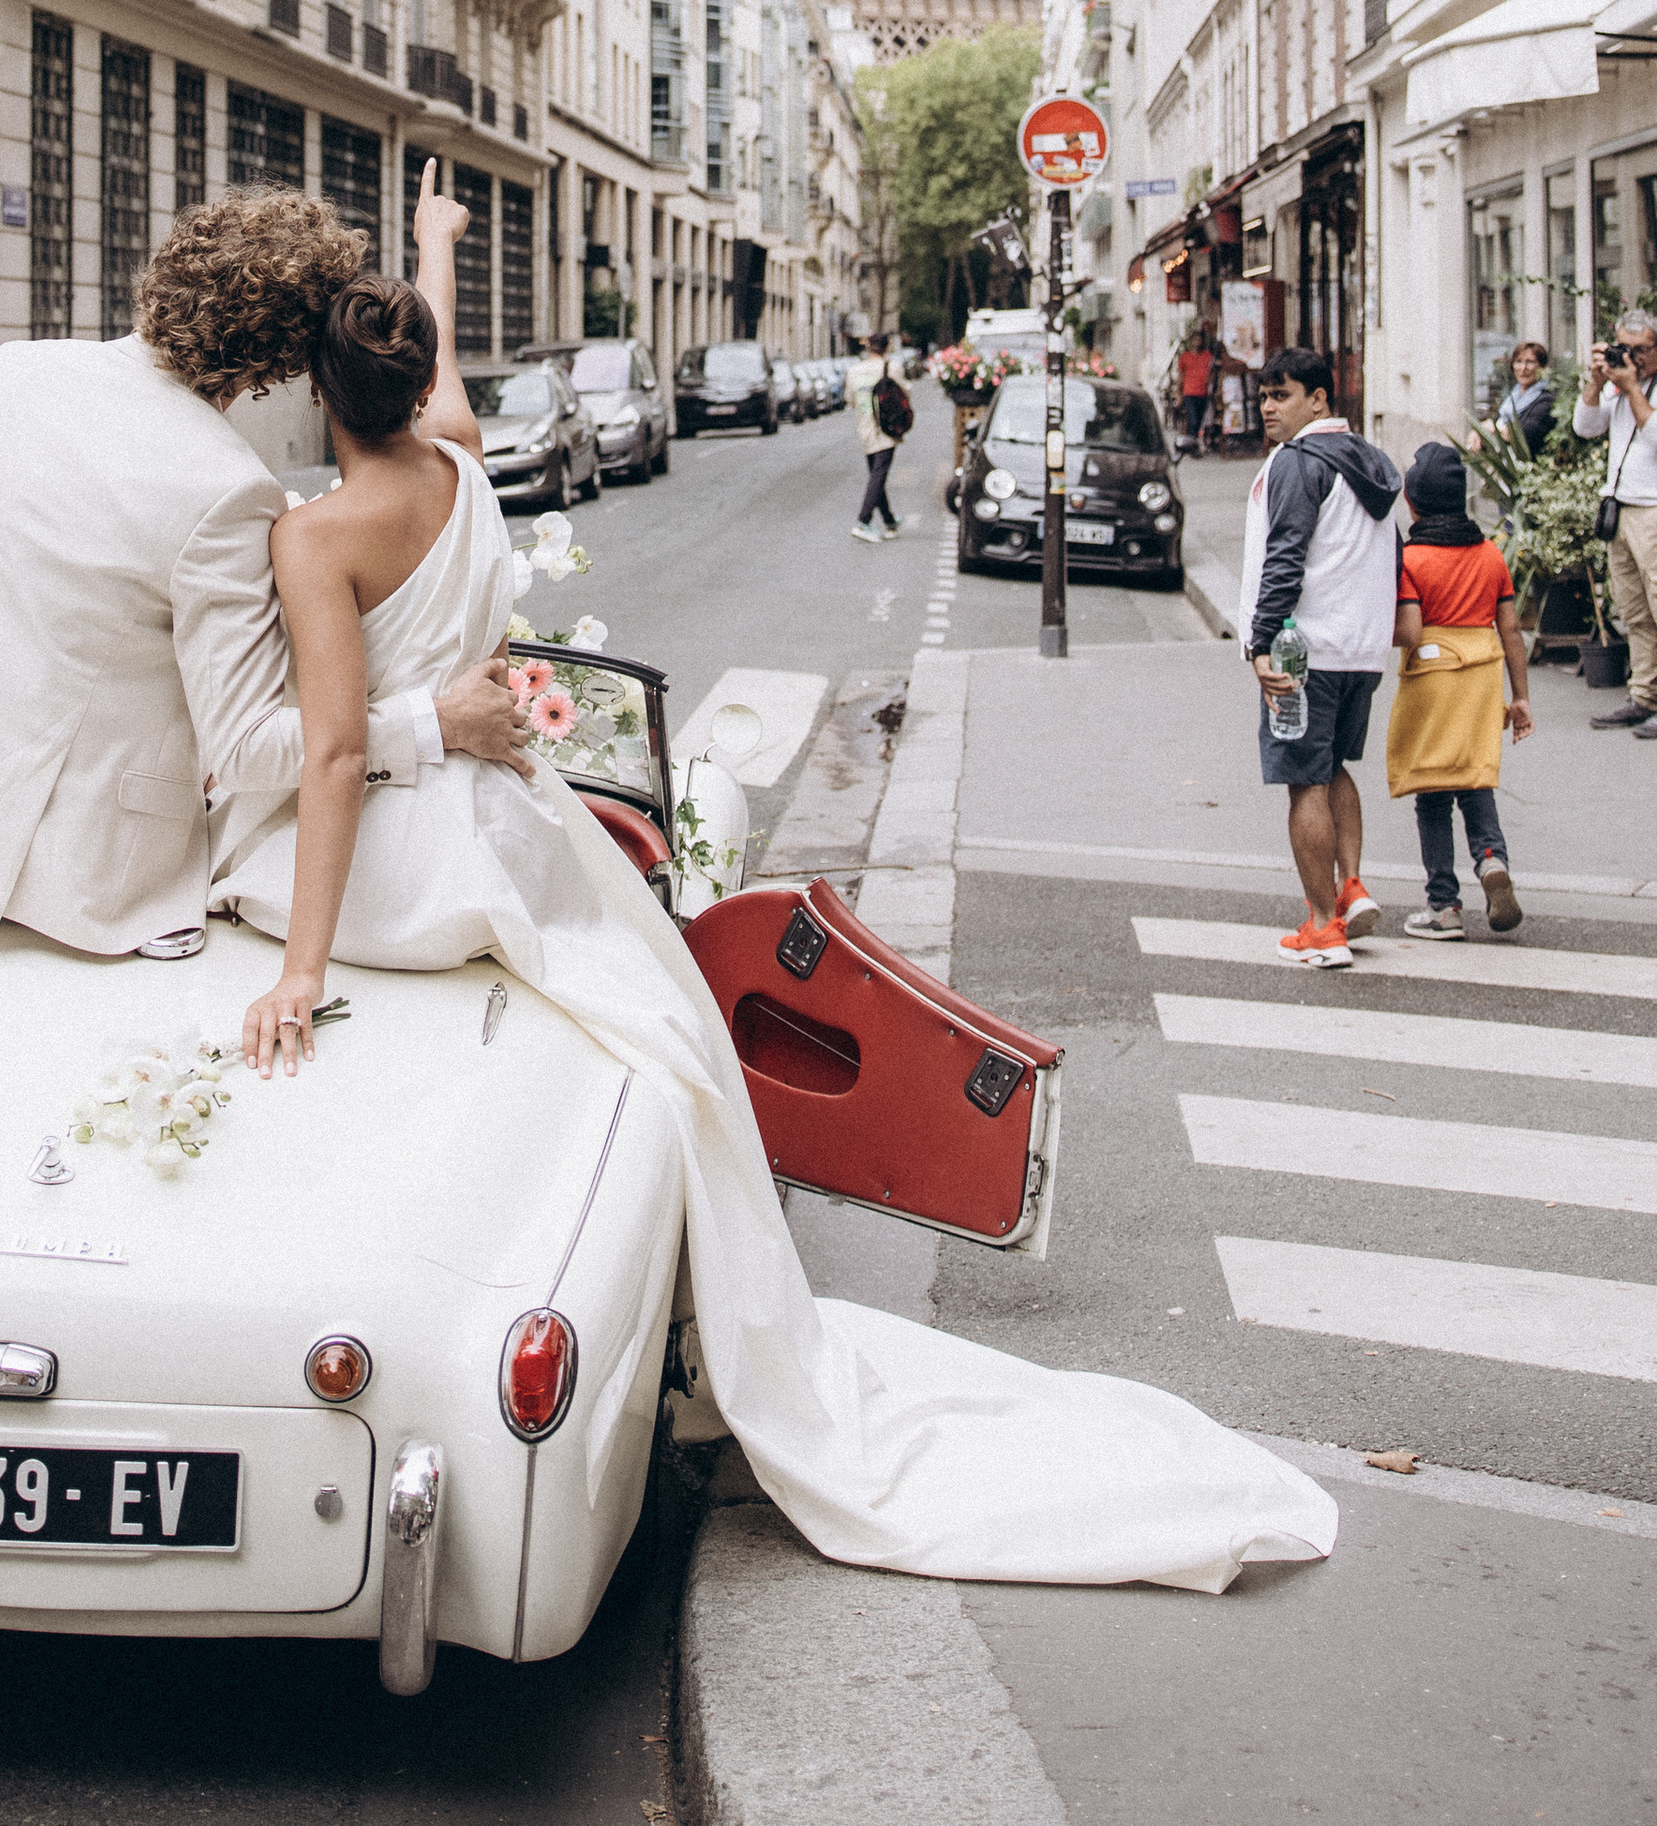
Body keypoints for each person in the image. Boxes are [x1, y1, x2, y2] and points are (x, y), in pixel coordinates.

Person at [217, 152, 1335, 1591]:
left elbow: (326, 757)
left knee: (226, 893)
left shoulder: (314, 535)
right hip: (516, 828)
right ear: (425, 376)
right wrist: (432, 240)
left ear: (315, 394)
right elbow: (435, 399)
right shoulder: (463, 469)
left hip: (413, 846)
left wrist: (302, 971)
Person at [0, 170, 530, 945]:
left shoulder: (4, 372)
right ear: (283, 366)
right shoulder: (228, 491)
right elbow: (247, 748)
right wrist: (435, 721)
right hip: (83, 893)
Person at [1244, 345, 1403, 965]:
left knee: (1303, 779)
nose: (1267, 407)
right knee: (1333, 766)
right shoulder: (1373, 462)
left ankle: (1320, 926)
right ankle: (1350, 888)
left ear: (1318, 400)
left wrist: (1262, 643)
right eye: (1263, 396)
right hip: (1362, 649)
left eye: (1281, 395)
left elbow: (1284, 556)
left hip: (1304, 650)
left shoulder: (1298, 461)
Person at [1386, 438, 1529, 941]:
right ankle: (1491, 861)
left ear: (1411, 502)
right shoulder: (1490, 555)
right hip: (1482, 679)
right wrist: (1521, 697)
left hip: (1432, 679)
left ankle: (1444, 906)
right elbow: (1512, 629)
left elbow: (1409, 630)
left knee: (1432, 794)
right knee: (1474, 778)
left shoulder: (1411, 559)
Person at [1573, 312, 1657, 732]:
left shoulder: (1635, 386)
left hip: (1653, 511)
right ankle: (1644, 695)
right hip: (1620, 510)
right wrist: (1595, 382)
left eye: (1641, 350)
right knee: (1635, 611)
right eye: (1626, 348)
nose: (1633, 358)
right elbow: (1585, 427)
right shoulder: (1618, 383)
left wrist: (1632, 388)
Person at [849, 349, 905, 538]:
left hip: (865, 427)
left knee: (876, 475)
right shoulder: (892, 368)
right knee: (878, 476)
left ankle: (889, 521)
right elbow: (905, 392)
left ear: (868, 349)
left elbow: (850, 399)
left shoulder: (854, 371)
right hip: (886, 427)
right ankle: (863, 521)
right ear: (886, 348)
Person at [1487, 338, 1555, 460]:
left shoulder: (1546, 400)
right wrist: (1477, 433)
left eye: (1530, 362)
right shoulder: (1513, 397)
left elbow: (1521, 436)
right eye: (1518, 361)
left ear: (1542, 367)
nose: (1523, 368)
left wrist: (1491, 429)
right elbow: (1495, 421)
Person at [1175, 329, 1216, 456]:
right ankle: (1192, 447)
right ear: (1191, 341)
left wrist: (1210, 382)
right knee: (1192, 420)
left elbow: (1212, 371)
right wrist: (1178, 393)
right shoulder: (1185, 357)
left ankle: (1193, 444)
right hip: (1189, 392)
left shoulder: (1207, 356)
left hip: (1203, 392)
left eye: (1199, 339)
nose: (1197, 342)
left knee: (1199, 421)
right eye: (1195, 339)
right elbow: (1180, 375)